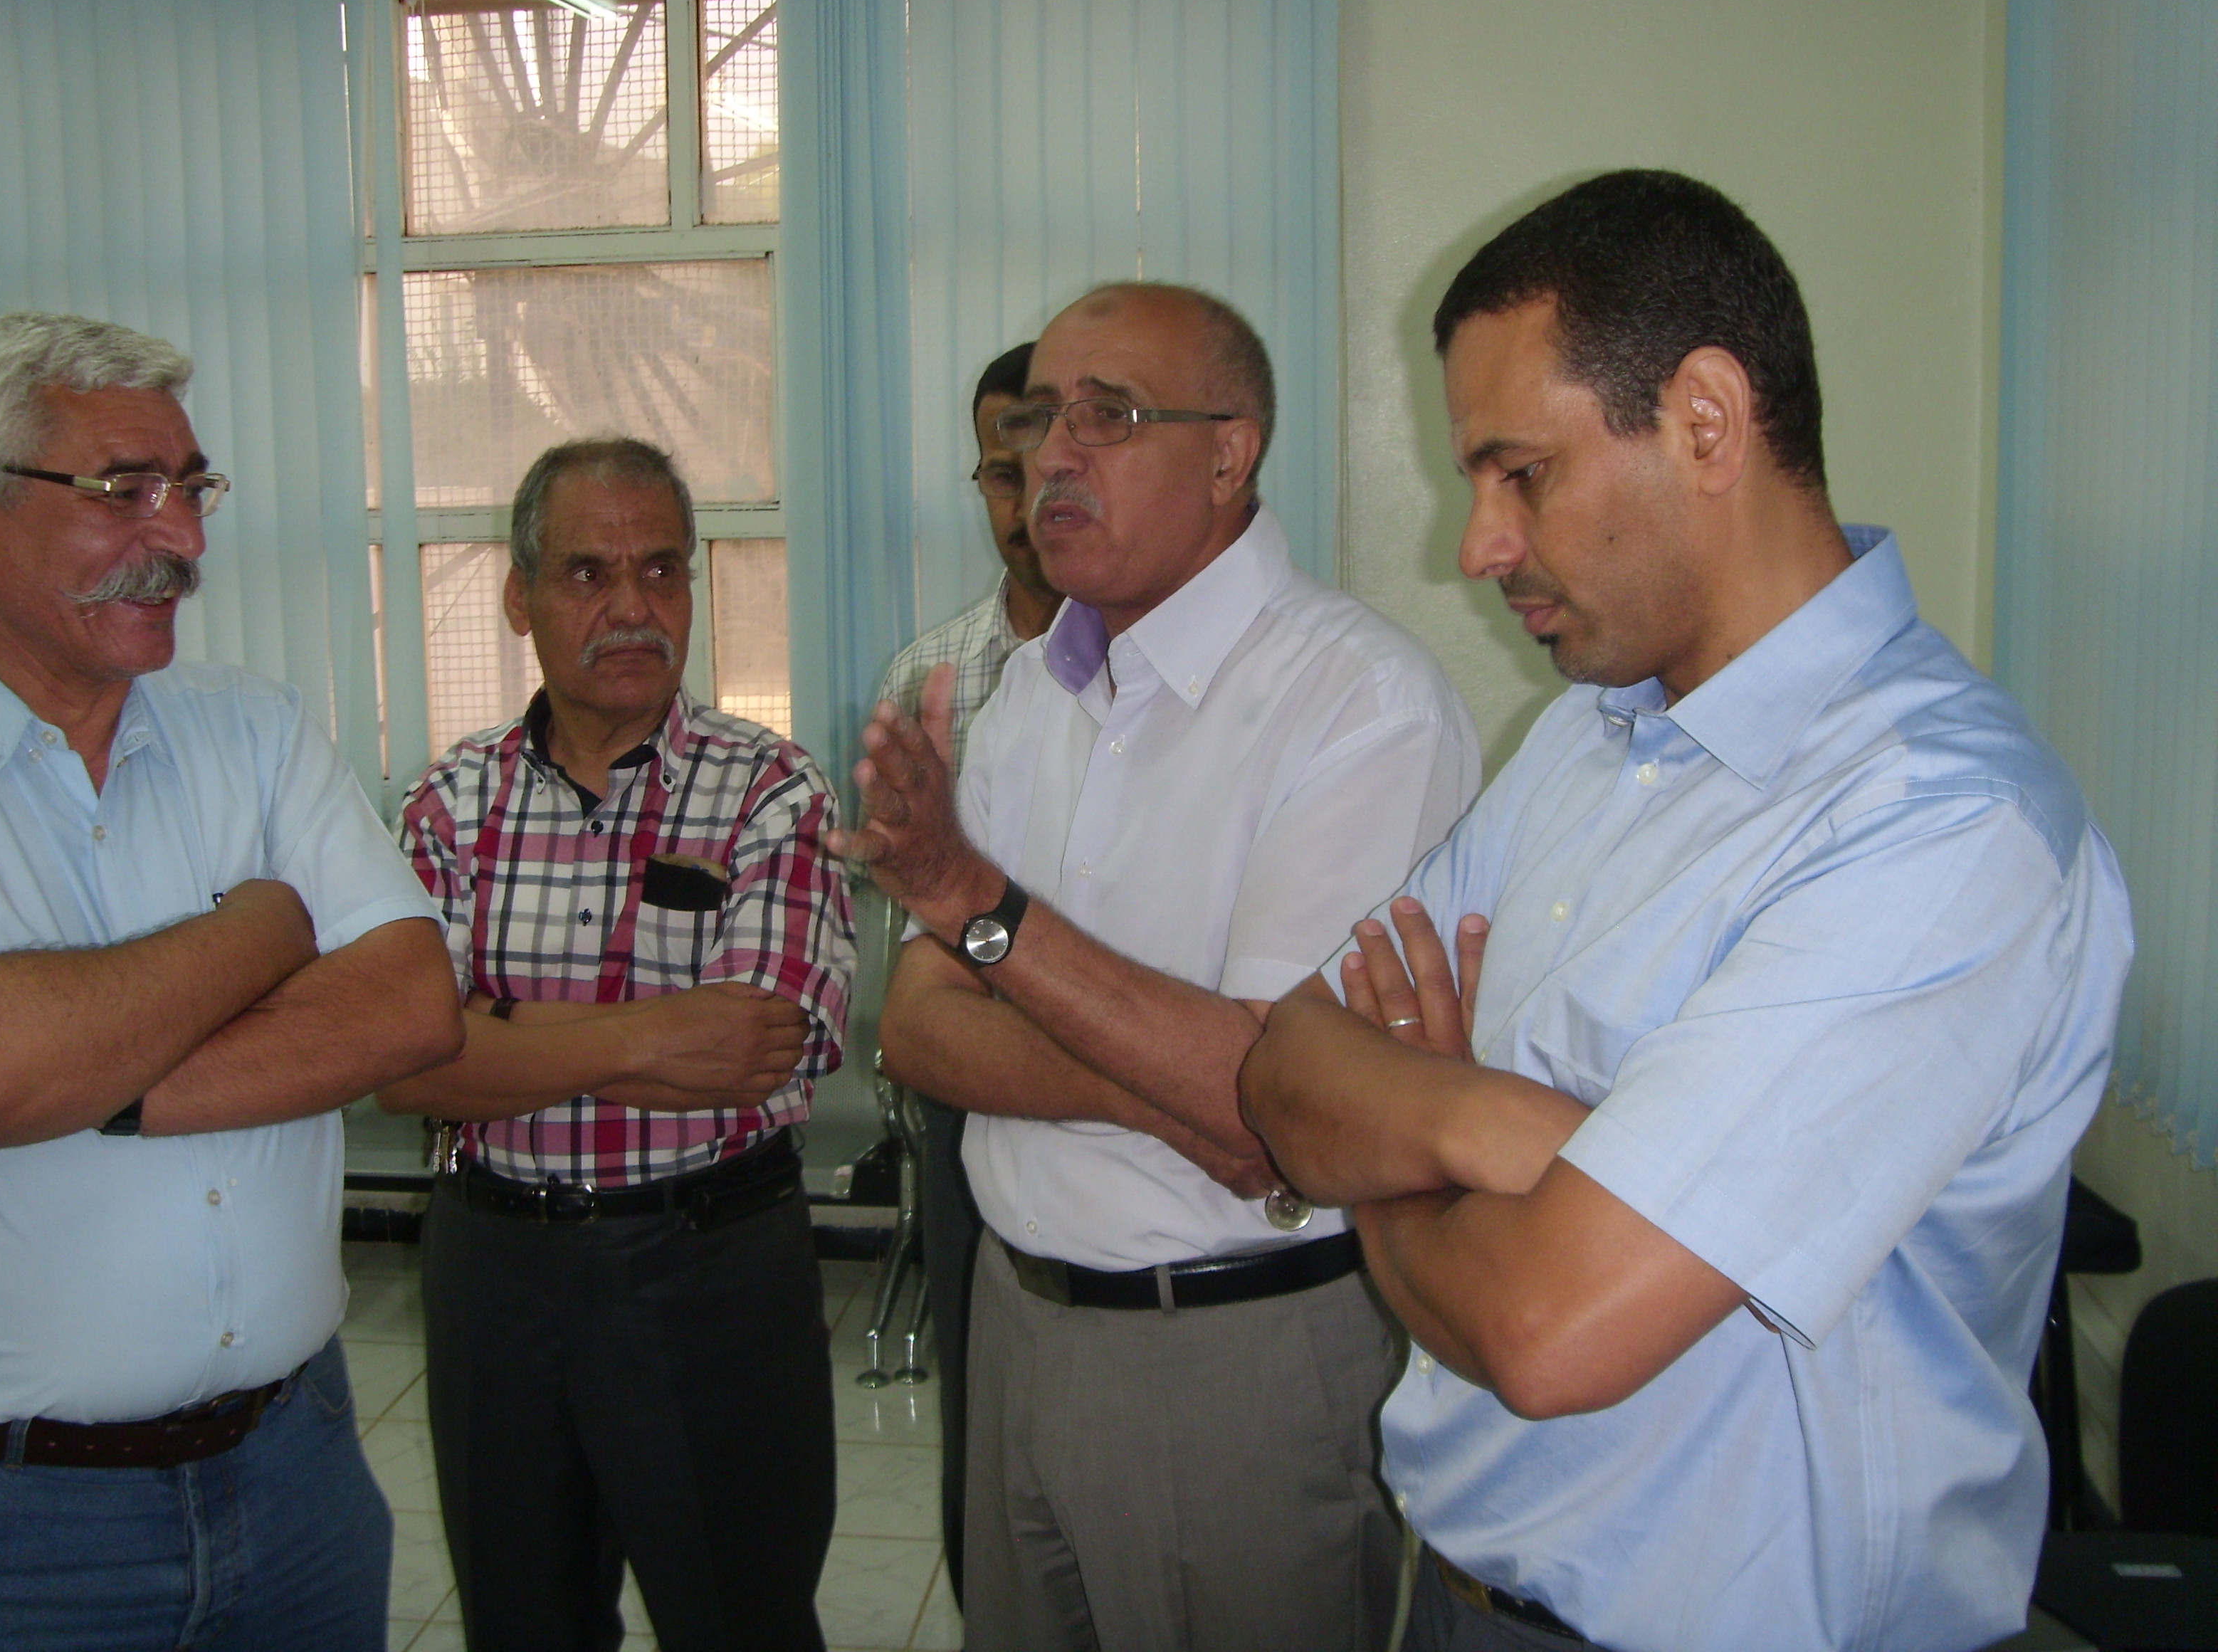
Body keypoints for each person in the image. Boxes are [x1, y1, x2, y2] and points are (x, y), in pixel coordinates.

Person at [1241, 170, 2134, 1652]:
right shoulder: (1585, 746)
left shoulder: (1941, 822)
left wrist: (1392, 1155)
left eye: (1520, 473)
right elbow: (1287, 1062)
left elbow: (1543, 1332)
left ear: (1705, 421)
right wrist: (1491, 1125)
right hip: (1459, 1600)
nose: (1478, 546)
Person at [833, 283, 1481, 1652]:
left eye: (1108, 417)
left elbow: (1275, 1098)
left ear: (1231, 453)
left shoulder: (1359, 704)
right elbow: (920, 1030)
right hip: (1016, 1318)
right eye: (1034, 421)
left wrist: (981, 912)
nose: (1051, 458)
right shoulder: (1032, 695)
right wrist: (1163, 1087)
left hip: (1234, 1352)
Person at [0, 312, 463, 1650]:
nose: (184, 539)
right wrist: (266, 929)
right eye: (124, 491)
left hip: (297, 1473)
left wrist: (76, 1073)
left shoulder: (253, 730)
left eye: (192, 488)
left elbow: (409, 1008)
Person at [387, 437, 855, 1652]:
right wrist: (655, 1033)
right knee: (522, 1624)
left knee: (742, 1623)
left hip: (710, 1267)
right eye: (588, 574)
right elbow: (404, 1062)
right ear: (520, 597)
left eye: (661, 570)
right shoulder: (448, 805)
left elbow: (758, 1046)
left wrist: (495, 1035)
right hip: (493, 1270)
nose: (633, 608)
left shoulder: (773, 792)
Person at [868, 338, 1057, 1601]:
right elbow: (906, 929)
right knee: (983, 1411)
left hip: (1140, 1087)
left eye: (1052, 465)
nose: (1031, 501)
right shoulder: (928, 679)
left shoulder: (1181, 674)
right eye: (1002, 474)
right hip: (966, 1092)